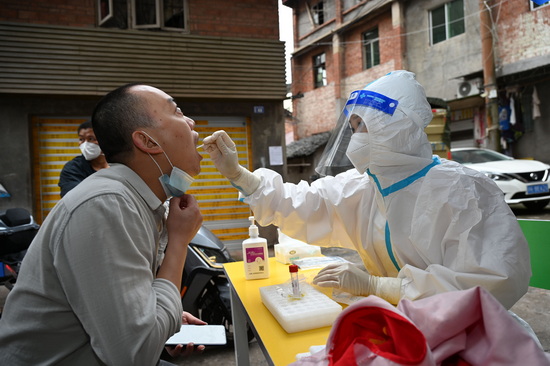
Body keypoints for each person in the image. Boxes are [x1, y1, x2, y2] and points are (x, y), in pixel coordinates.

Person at [203, 70, 531, 309]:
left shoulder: (465, 192)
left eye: (365, 126)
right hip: (393, 323)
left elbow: (488, 287)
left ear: (399, 127)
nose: (356, 137)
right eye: (354, 127)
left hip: (466, 336)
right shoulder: (366, 187)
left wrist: (378, 285)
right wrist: (241, 176)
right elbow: (306, 204)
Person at [0, 83, 206, 365]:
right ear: (148, 142)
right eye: (178, 112)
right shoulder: (106, 204)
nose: (192, 122)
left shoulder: (142, 202)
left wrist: (162, 319)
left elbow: (126, 314)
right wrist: (179, 242)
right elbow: (135, 355)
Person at [58, 120, 109, 197]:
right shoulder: (72, 169)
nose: (85, 144)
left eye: (91, 139)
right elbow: (74, 198)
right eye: (81, 139)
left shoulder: (119, 164)